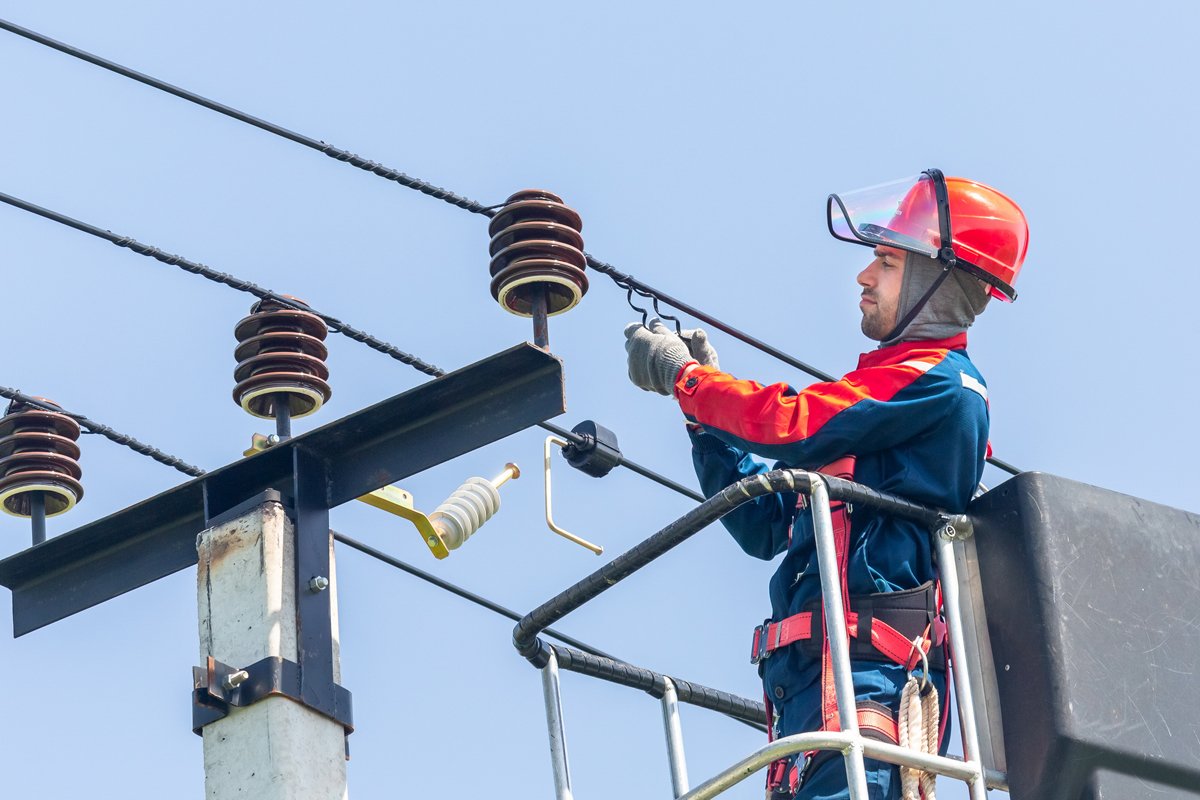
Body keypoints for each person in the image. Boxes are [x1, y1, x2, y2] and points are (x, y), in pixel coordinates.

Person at [622, 170, 1028, 799]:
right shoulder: (883, 405)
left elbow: (793, 422)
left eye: (887, 262)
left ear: (935, 283)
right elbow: (765, 523)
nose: (864, 277)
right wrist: (706, 427)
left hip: (868, 684)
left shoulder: (940, 382)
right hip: (810, 692)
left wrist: (693, 383)